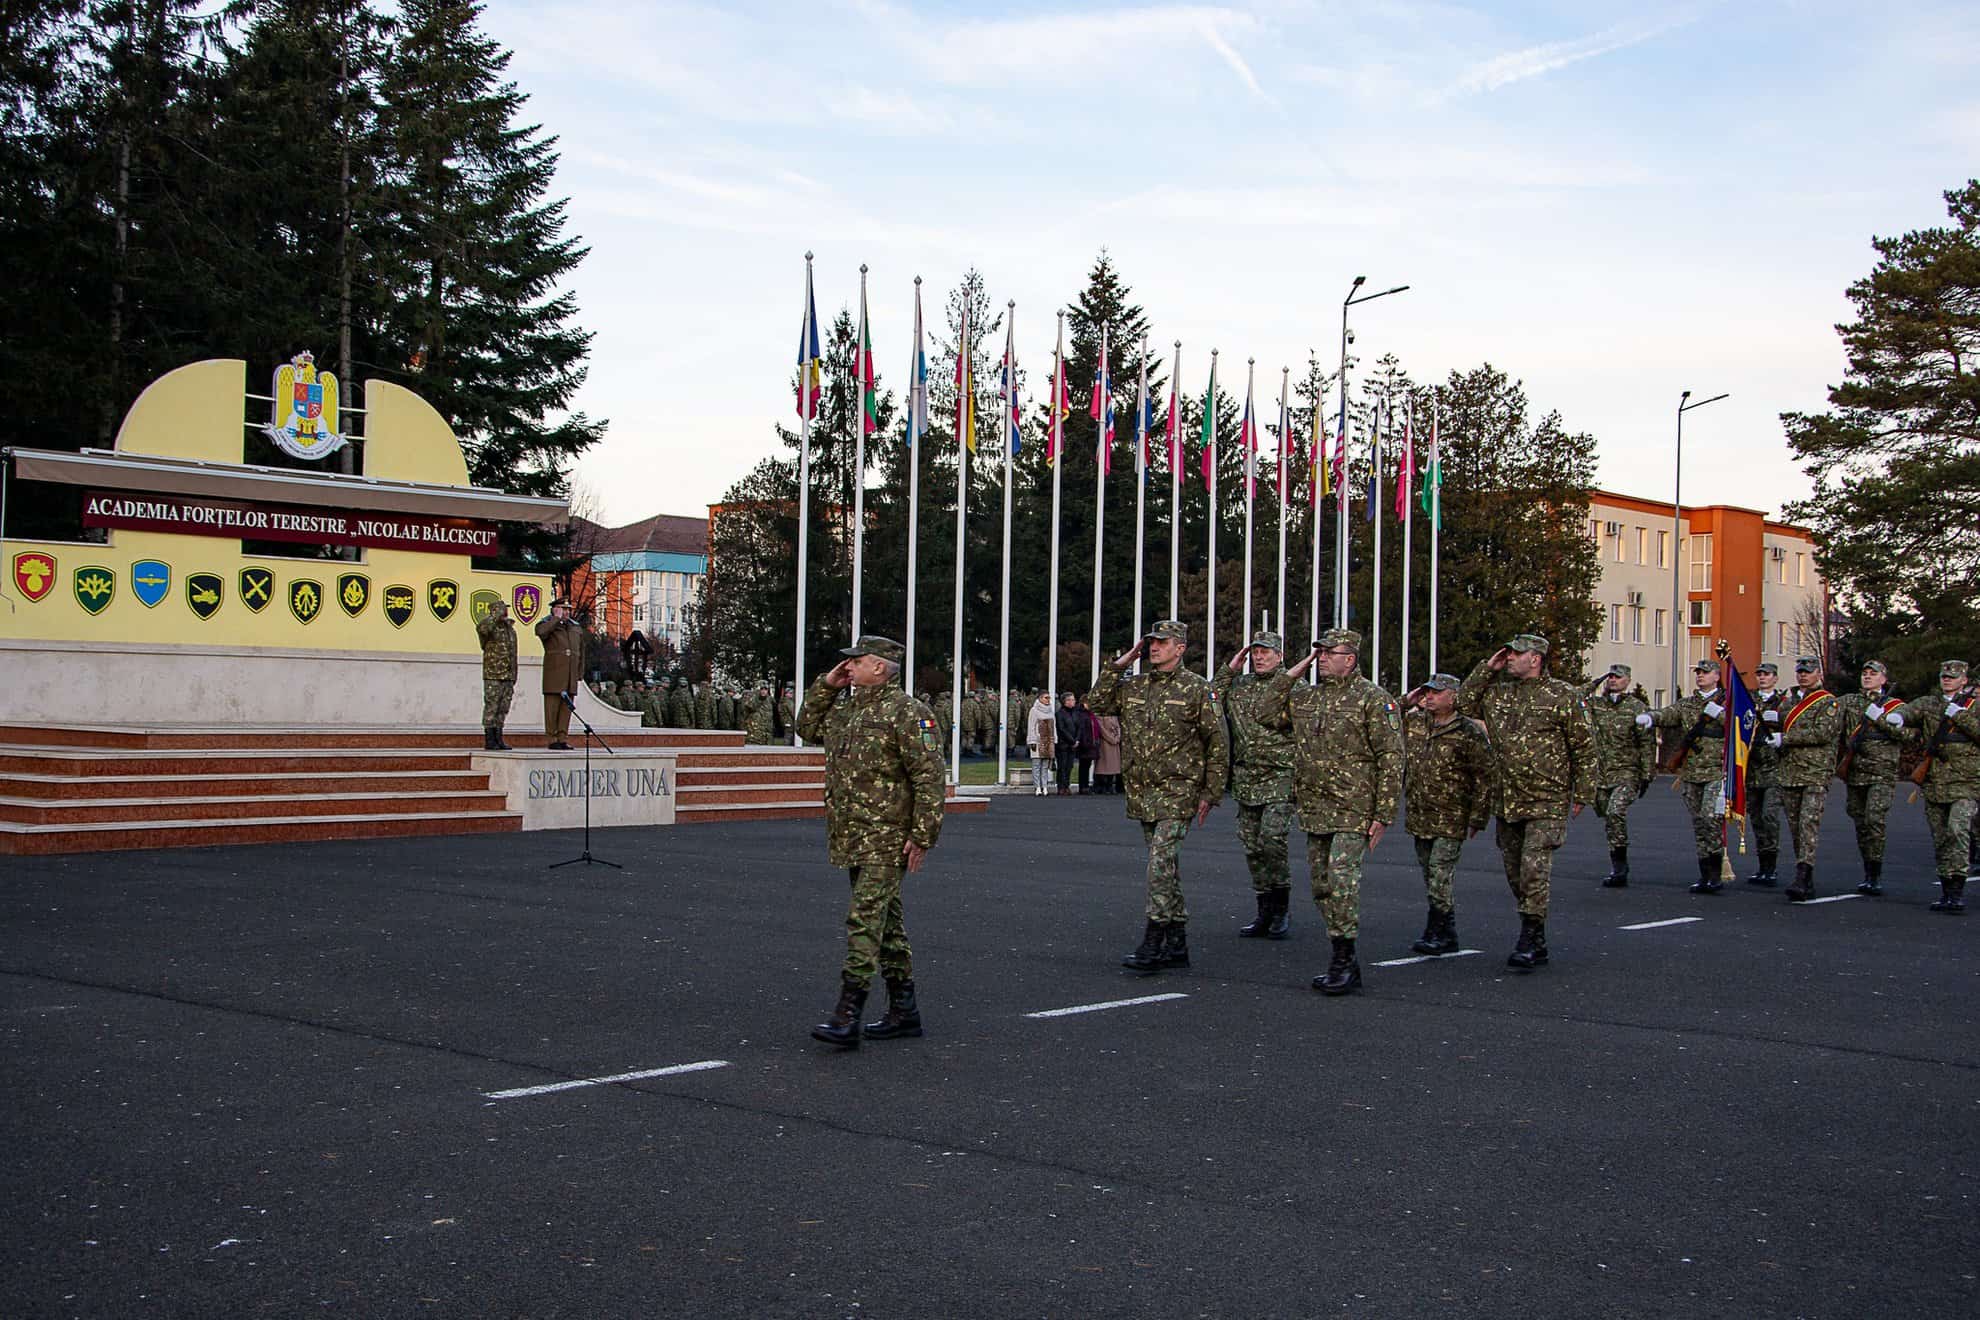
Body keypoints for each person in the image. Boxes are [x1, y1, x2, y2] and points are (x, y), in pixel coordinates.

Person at [797, 636, 946, 1048]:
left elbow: (929, 777)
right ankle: (904, 1010)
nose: (848, 668)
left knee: (864, 919)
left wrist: (923, 835)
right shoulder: (846, 709)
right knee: (888, 924)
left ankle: (847, 1013)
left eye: (856, 662)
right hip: (852, 832)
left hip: (887, 835)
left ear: (880, 667)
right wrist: (826, 685)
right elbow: (805, 727)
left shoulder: (909, 713)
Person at [1086, 621, 1229, 974]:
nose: (1154, 648)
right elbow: (1095, 701)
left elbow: (1217, 742)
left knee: (1160, 865)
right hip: (1143, 790)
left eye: (1161, 643)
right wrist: (1123, 661)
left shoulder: (1198, 689)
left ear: (1180, 648)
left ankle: (1153, 940)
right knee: (1166, 868)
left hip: (1179, 789)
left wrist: (1211, 792)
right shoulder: (1134, 685)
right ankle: (1177, 941)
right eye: (1150, 643)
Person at [1272, 629, 1404, 994]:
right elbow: (1265, 712)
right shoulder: (1306, 698)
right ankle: (1345, 959)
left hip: (1354, 808)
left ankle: (1343, 959)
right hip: (1315, 808)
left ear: (1351, 658)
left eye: (1331, 653)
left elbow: (1392, 758)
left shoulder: (1374, 699)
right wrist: (1295, 671)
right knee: (1321, 888)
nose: (1324, 658)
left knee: (1341, 882)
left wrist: (1384, 813)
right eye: (1320, 653)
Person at [1460, 634, 1595, 971]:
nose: (1509, 659)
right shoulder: (1499, 692)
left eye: (1516, 654)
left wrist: (1584, 793)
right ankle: (1536, 933)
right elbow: (1462, 704)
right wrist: (1486, 669)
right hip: (1507, 797)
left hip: (1546, 797)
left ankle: (1529, 935)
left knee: (1534, 868)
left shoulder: (1562, 695)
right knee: (1515, 872)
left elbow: (1583, 746)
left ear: (1535, 658)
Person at [1398, 673, 1494, 956]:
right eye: (1427, 692)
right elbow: (1382, 716)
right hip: (1420, 812)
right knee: (1430, 873)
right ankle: (1445, 928)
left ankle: (1438, 928)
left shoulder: (1467, 731)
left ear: (1453, 697)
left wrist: (1479, 816)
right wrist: (1406, 701)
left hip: (1451, 814)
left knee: (1440, 872)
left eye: (1436, 692)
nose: (1429, 696)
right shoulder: (1414, 723)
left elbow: (1484, 775)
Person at [1211, 631, 1298, 939]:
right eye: (1255, 652)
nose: (1259, 657)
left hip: (1280, 775)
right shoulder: (1240, 686)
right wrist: (1229, 670)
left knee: (1272, 837)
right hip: (1247, 778)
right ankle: (1264, 908)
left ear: (1280, 655)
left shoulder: (1292, 687)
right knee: (1252, 845)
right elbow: (1209, 700)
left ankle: (1281, 906)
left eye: (1266, 652)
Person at [1892, 659, 1980, 913]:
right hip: (1936, 783)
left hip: (1966, 782)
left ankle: (1958, 889)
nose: (1947, 680)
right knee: (1940, 837)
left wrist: (1960, 716)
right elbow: (1911, 710)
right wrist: (1897, 716)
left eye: (1953, 677)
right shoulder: (1931, 703)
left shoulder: (1974, 706)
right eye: (1944, 676)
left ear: (1964, 680)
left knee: (1957, 830)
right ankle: (1946, 890)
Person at [1644, 658, 1732, 893]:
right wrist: (1650, 717)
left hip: (1716, 771)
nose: (1700, 676)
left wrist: (1721, 714)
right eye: (1698, 673)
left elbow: (1741, 727)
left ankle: (1716, 874)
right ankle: (1704, 874)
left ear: (1716, 676)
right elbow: (1669, 714)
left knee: (1710, 819)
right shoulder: (1687, 704)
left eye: (1705, 672)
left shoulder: (1729, 702)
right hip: (1691, 772)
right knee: (1698, 823)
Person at [1772, 656, 1842, 902]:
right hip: (1790, 772)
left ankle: (1803, 875)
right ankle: (1804, 874)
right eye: (1800, 671)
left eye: (1808, 671)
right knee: (1795, 827)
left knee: (1808, 823)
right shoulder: (1788, 702)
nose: (1803, 675)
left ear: (1818, 675)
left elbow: (1823, 732)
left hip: (1815, 772)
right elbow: (1778, 723)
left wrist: (1786, 738)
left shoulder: (1828, 702)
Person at [1838, 661, 1903, 894]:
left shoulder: (1895, 706)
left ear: (1883, 679)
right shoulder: (1850, 701)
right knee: (1860, 822)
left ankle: (1875, 873)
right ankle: (1868, 869)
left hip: (1881, 772)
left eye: (1873, 674)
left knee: (1874, 819)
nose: (1867, 677)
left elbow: (1906, 734)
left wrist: (1881, 719)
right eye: (1864, 673)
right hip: (1855, 772)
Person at [1585, 663, 1652, 887]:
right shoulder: (1596, 704)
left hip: (1627, 771)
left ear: (1628, 681)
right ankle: (1617, 860)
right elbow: (1573, 700)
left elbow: (1646, 742)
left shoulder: (1636, 707)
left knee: (1615, 812)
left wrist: (1647, 773)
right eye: (1610, 677)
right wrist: (1593, 683)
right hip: (1602, 774)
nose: (1613, 680)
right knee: (1608, 817)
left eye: (1618, 677)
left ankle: (1620, 869)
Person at [1744, 663, 1786, 887]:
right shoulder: (1749, 700)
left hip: (1774, 769)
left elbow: (1792, 729)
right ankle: (1762, 867)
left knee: (1770, 816)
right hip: (1752, 769)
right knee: (1757, 819)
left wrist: (1779, 723)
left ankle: (1771, 866)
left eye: (1766, 674)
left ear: (1775, 678)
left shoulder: (1784, 703)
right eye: (1759, 674)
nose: (1762, 678)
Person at [534, 597, 584, 750]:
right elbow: (541, 632)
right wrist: (555, 619)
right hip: (554, 673)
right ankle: (552, 738)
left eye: (568, 609)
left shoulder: (575, 627)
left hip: (570, 674)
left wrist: (579, 673)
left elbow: (581, 652)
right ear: (555, 609)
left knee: (566, 708)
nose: (567, 612)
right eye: (563, 608)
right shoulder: (547, 624)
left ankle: (562, 737)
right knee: (552, 708)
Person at [475, 598, 516, 750]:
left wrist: (513, 674)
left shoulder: (509, 628)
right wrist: (494, 617)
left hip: (507, 675)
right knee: (492, 707)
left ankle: (499, 737)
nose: (505, 612)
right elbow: (482, 629)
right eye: (502, 609)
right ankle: (490, 739)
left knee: (503, 707)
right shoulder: (489, 627)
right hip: (493, 674)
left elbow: (513, 653)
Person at [1026, 691, 1056, 795]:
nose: (1048, 700)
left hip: (1048, 741)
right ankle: (1037, 786)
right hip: (1038, 741)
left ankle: (1045, 786)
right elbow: (1031, 726)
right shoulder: (1034, 710)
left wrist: (1054, 740)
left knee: (1045, 766)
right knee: (1036, 765)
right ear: (1040, 698)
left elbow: (1053, 727)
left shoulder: (1050, 710)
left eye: (1049, 698)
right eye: (1046, 697)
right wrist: (1032, 740)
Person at [1053, 691, 1082, 796]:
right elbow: (1061, 729)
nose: (1072, 702)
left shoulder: (1076, 713)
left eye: (1073, 699)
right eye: (1069, 700)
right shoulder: (1059, 713)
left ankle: (1067, 785)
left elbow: (1079, 727)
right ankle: (1061, 786)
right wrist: (1072, 741)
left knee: (1070, 766)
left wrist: (1077, 740)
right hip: (1063, 744)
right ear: (1064, 701)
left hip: (1073, 744)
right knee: (1062, 766)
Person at [1075, 696, 1099, 794]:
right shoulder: (1081, 714)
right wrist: (1084, 742)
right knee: (1083, 766)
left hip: (1091, 743)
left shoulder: (1090, 714)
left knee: (1087, 765)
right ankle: (1083, 786)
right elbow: (1082, 729)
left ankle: (1085, 786)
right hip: (1085, 743)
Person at [1094, 709, 1122, 795]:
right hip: (1105, 743)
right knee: (1104, 765)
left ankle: (1110, 785)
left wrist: (1117, 737)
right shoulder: (1099, 716)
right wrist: (1111, 739)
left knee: (1113, 765)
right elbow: (1102, 730)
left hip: (1114, 743)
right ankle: (1102, 786)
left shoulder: (1113, 715)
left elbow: (1118, 727)